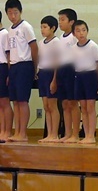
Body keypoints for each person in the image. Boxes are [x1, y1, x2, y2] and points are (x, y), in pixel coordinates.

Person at [5, 0, 37, 143]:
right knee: (15, 101)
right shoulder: (10, 30)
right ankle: (17, 131)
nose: (13, 16)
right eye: (10, 13)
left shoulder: (26, 27)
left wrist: (34, 68)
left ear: (21, 12)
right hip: (14, 67)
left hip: (25, 65)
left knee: (23, 101)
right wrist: (9, 71)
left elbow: (34, 48)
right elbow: (10, 53)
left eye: (15, 12)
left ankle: (23, 133)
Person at [73, 20, 98, 144]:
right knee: (83, 107)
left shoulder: (92, 46)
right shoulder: (73, 48)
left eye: (84, 30)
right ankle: (86, 134)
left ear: (87, 31)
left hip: (91, 76)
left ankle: (91, 135)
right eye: (78, 31)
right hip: (79, 76)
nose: (81, 33)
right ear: (74, 33)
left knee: (90, 107)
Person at [53, 8, 79, 142]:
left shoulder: (74, 37)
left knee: (72, 103)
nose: (60, 23)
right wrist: (55, 78)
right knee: (64, 104)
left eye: (63, 20)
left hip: (72, 69)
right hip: (62, 70)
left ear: (71, 22)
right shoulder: (60, 39)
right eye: (59, 20)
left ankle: (75, 134)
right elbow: (58, 58)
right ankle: (67, 133)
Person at [37, 15, 60, 143]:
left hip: (51, 73)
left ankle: (54, 134)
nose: (42, 30)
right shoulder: (41, 43)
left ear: (53, 28)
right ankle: (49, 133)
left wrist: (54, 80)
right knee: (46, 106)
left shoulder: (56, 42)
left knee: (52, 105)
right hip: (42, 73)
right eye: (41, 27)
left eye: (45, 27)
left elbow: (57, 62)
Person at [0, 11, 10, 141]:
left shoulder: (5, 34)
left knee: (5, 101)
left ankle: (7, 131)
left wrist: (9, 73)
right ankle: (2, 130)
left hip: (3, 67)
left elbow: (8, 55)